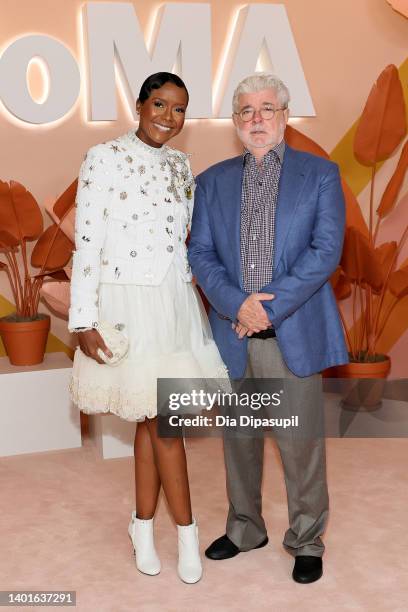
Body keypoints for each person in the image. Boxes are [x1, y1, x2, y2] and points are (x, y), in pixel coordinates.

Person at [188, 72, 348, 584]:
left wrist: (266, 309)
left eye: (266, 109)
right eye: (246, 112)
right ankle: (244, 528)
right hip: (233, 336)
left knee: (300, 444)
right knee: (239, 439)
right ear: (235, 123)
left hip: (290, 334)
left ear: (284, 115)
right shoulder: (210, 181)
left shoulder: (320, 174)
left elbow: (325, 253)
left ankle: (306, 538)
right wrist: (237, 304)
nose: (256, 120)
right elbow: (201, 253)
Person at [68, 72, 227, 585]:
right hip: (126, 305)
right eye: (159, 104)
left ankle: (143, 526)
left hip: (175, 305)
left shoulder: (183, 164)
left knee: (155, 418)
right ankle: (185, 529)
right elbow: (87, 240)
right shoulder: (103, 157)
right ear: (139, 105)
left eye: (179, 109)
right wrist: (82, 319)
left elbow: (186, 241)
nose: (167, 116)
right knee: (161, 420)